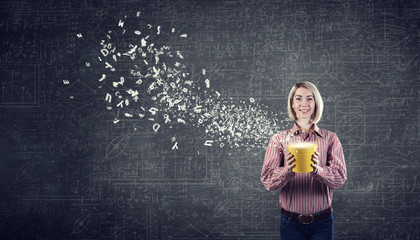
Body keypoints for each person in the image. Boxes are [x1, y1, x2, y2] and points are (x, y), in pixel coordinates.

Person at [261, 82, 347, 240]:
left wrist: (318, 171)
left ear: (316, 103)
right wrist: (288, 170)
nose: (304, 104)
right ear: (292, 103)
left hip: (323, 222)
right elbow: (268, 181)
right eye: (299, 98)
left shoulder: (330, 139)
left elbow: (340, 178)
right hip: (290, 222)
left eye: (309, 99)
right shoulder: (279, 139)